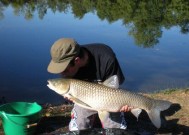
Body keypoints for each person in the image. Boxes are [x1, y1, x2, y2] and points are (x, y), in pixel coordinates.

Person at [47, 38, 132, 131]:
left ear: (77, 60)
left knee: (116, 130)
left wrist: (123, 105)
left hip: (109, 99)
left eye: (65, 70)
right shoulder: (67, 68)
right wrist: (69, 96)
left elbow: (114, 86)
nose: (62, 74)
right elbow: (69, 91)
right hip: (85, 98)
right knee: (78, 129)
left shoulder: (106, 57)